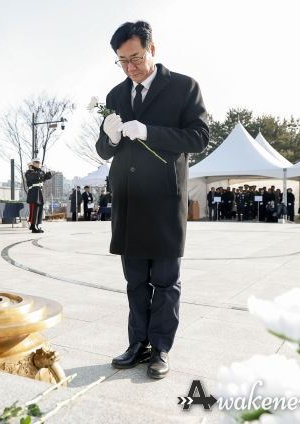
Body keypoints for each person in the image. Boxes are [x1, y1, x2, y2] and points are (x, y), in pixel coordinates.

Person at [95, 21, 209, 379]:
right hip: (129, 201)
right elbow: (103, 150)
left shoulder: (184, 87)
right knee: (134, 281)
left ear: (152, 49)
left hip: (163, 200)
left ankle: (160, 348)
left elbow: (199, 138)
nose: (130, 68)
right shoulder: (116, 95)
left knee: (165, 280)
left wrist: (149, 132)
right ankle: (138, 343)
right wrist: (110, 139)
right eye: (122, 61)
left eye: (136, 58)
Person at [25, 158, 52, 233]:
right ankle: (34, 226)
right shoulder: (29, 172)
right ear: (33, 163)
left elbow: (48, 177)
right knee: (35, 210)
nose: (39, 164)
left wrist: (47, 171)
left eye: (39, 162)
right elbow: (35, 177)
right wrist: (42, 171)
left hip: (39, 191)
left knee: (39, 209)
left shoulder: (39, 171)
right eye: (36, 162)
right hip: (34, 192)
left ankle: (36, 225)